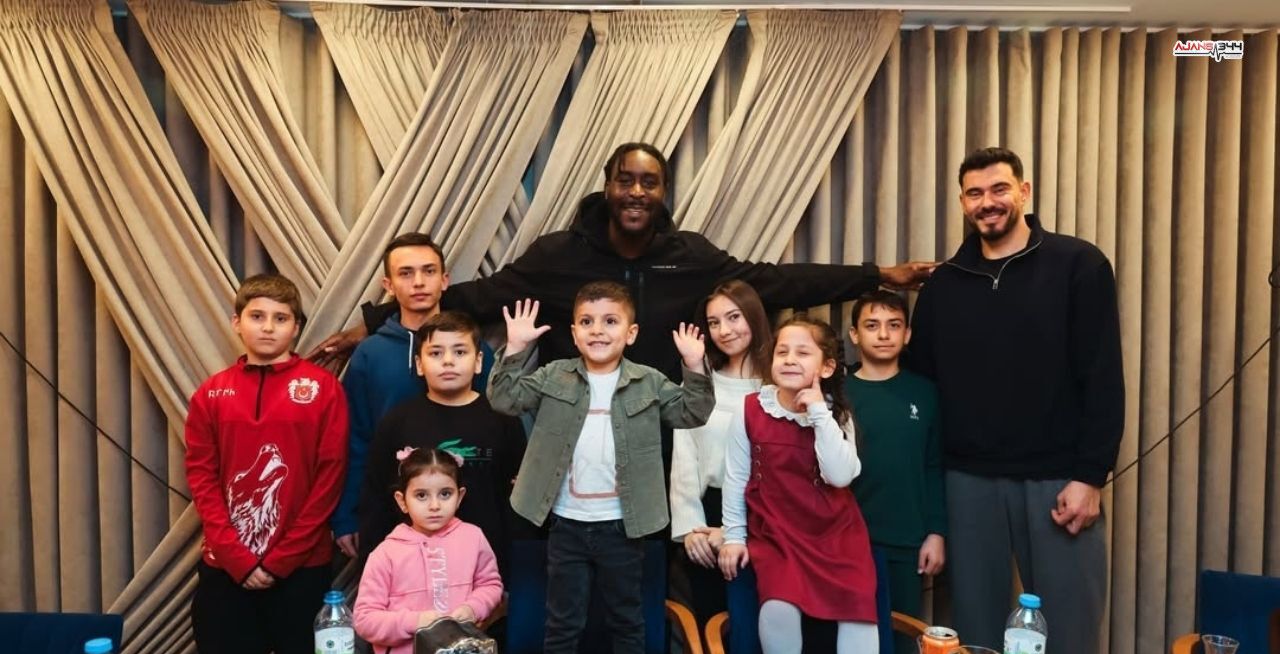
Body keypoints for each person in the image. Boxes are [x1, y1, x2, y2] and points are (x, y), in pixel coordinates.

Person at [308, 143, 935, 380]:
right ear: (607, 186)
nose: (637, 192)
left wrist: (880, 275)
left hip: (663, 418)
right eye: (625, 180)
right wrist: (373, 324)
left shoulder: (690, 255)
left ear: (663, 193)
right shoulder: (559, 254)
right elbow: (474, 297)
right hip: (573, 419)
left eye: (649, 182)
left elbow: (776, 282)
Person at [908, 147, 1123, 654]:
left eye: (999, 189)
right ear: (963, 203)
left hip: (1058, 479)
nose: (988, 202)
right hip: (967, 480)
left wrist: (1090, 475)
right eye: (975, 193)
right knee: (976, 638)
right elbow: (921, 387)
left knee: (1070, 638)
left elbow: (1102, 376)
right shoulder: (943, 285)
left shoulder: (1079, 264)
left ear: (1024, 192)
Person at [487, 282, 714, 654]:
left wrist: (693, 365)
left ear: (631, 333)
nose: (597, 330)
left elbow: (693, 412)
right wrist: (515, 349)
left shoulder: (648, 380)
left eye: (610, 321)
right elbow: (504, 399)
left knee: (627, 619)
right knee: (562, 622)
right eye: (587, 322)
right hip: (566, 525)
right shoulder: (554, 375)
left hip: (623, 527)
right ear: (574, 333)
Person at [184, 274, 349, 654]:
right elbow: (202, 478)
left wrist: (282, 560)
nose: (268, 327)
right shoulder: (211, 393)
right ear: (236, 322)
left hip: (302, 566)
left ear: (296, 327)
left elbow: (329, 478)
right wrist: (237, 558)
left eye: (281, 318)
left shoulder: (323, 389)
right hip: (226, 566)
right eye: (257, 316)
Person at [718, 314, 878, 654]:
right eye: (782, 352)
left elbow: (840, 476)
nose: (789, 359)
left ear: (827, 367)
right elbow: (736, 477)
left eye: (803, 353)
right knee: (779, 607)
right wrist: (733, 536)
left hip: (837, 534)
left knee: (858, 613)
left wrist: (819, 412)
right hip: (777, 532)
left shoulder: (836, 415)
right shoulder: (751, 409)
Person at [334, 233, 495, 559]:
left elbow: (493, 424)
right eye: (406, 273)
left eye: (429, 271)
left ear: (445, 280)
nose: (419, 282)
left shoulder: (473, 351)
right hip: (390, 507)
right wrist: (346, 514)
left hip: (467, 506)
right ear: (388, 285)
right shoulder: (370, 353)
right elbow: (355, 437)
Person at [357, 311, 525, 573]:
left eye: (460, 352)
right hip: (411, 569)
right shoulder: (396, 422)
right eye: (435, 353)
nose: (448, 361)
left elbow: (517, 498)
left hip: (486, 567)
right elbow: (376, 500)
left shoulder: (504, 420)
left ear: (479, 361)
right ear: (419, 364)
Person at [668, 280, 770, 654]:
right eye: (714, 323)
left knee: (759, 631)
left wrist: (738, 531)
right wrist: (690, 529)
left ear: (754, 317)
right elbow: (684, 458)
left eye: (734, 317)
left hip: (764, 517)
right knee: (710, 632)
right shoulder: (700, 382)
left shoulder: (778, 383)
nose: (724, 330)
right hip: (706, 519)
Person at [844, 289, 945, 654]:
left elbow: (933, 465)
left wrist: (936, 533)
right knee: (850, 641)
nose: (884, 334)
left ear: (907, 334)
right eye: (872, 325)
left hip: (906, 540)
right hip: (846, 540)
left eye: (894, 325)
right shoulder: (836, 393)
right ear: (854, 335)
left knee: (901, 642)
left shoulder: (926, 392)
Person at [354, 447, 504, 654]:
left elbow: (490, 585)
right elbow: (364, 619)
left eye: (445, 494)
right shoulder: (385, 554)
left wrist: (473, 608)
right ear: (402, 501)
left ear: (459, 496)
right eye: (421, 495)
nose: (435, 505)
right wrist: (415, 622)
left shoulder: (474, 537)